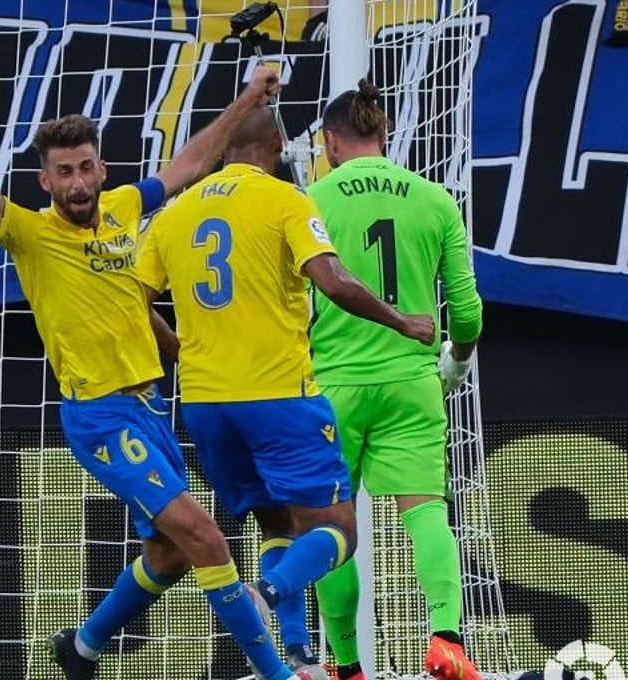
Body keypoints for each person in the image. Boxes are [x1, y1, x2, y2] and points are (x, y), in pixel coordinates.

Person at [0, 61, 305, 680]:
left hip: (153, 407)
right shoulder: (29, 235)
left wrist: (248, 97)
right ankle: (280, 672)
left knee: (166, 556)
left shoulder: (123, 208)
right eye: (64, 172)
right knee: (208, 541)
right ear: (46, 182)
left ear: (102, 170)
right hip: (100, 414)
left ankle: (81, 648)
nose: (78, 181)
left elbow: (189, 164)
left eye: (86, 167)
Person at [134, 106, 434, 678]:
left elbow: (134, 300)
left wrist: (183, 354)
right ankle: (264, 596)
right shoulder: (285, 200)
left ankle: (297, 655)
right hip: (278, 395)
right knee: (338, 532)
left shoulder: (174, 214)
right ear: (277, 142)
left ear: (224, 149)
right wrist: (401, 321)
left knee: (274, 522)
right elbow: (333, 280)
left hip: (204, 405)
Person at [307, 80, 483, 680]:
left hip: (333, 384)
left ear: (330, 143)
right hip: (412, 380)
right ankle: (446, 638)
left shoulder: (310, 200)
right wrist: (456, 359)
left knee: (330, 527)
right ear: (384, 136)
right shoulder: (434, 199)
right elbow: (468, 310)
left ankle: (347, 667)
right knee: (425, 510)